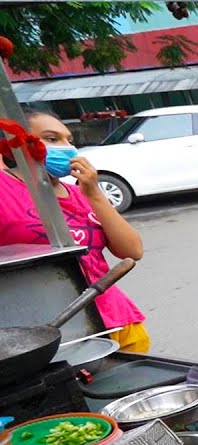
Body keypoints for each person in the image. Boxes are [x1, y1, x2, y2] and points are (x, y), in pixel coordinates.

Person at [0, 111, 149, 351]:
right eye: (51, 139)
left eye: (69, 140)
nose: (66, 148)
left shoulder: (81, 194)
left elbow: (132, 250)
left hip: (117, 321)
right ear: (16, 143)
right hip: (49, 334)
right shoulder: (4, 189)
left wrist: (94, 193)